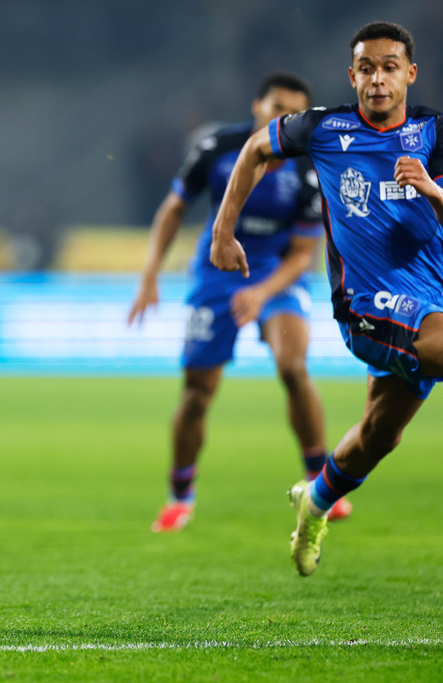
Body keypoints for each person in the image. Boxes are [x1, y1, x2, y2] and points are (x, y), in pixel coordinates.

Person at [210, 22, 443, 576]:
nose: (378, 79)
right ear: (352, 75)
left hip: (430, 295)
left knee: (379, 435)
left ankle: (314, 500)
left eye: (390, 67)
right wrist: (223, 231)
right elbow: (253, 148)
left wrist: (432, 190)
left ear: (410, 74)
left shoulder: (433, 133)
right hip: (366, 305)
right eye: (367, 68)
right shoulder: (323, 130)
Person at [129, 73, 349, 532]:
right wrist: (149, 276)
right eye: (275, 108)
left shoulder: (309, 169)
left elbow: (302, 256)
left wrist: (260, 292)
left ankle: (319, 482)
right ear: (257, 106)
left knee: (294, 366)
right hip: (216, 275)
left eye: (294, 113)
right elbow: (173, 209)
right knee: (196, 394)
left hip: (274, 276)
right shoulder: (217, 148)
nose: (282, 119)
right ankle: (179, 497)